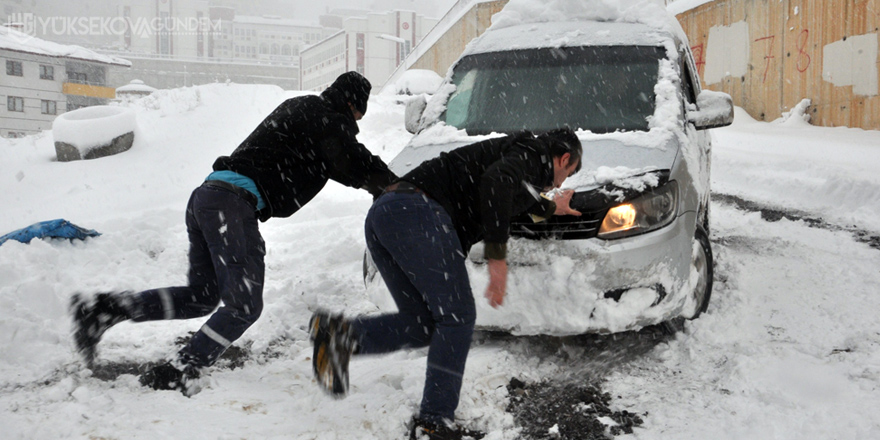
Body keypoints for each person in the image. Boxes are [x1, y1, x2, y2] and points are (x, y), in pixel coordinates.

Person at [69, 71, 397, 395]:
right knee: (244, 306)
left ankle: (106, 309)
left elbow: (339, 159)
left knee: (202, 297)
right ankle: (183, 368)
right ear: (352, 105)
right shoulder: (327, 121)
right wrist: (398, 188)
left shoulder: (303, 109)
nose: (356, 123)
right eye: (358, 115)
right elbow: (355, 162)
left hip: (207, 198)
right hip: (232, 206)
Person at [309, 128, 583, 439]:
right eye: (567, 173)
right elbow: (497, 184)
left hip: (387, 213)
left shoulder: (517, 163)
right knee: (457, 316)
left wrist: (551, 207)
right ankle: (433, 423)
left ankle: (338, 339)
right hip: (419, 213)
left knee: (422, 323)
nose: (560, 184)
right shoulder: (532, 153)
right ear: (562, 158)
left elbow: (511, 196)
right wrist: (497, 258)